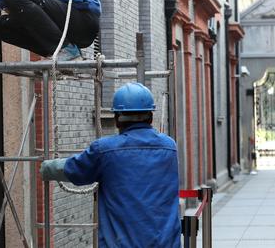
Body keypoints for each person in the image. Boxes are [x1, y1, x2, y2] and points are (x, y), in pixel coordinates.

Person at [40, 82, 181, 248]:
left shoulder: (105, 150)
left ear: (117, 119)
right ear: (150, 116)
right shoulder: (169, 146)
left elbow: (77, 170)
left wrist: (45, 167)